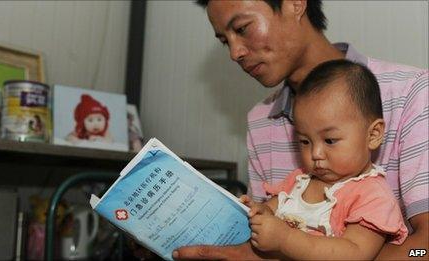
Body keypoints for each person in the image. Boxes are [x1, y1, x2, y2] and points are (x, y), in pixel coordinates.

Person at [174, 0, 428, 259]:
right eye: (225, 41)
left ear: (295, 4)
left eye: (242, 28)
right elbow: (265, 235)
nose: (235, 53)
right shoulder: (261, 119)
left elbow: (424, 248)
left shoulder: (412, 92)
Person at [241, 59, 408, 260]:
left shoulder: (372, 196)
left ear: (372, 135)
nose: (315, 154)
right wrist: (256, 212)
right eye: (305, 141)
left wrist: (286, 239)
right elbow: (271, 209)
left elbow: (354, 253)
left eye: (329, 140)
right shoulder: (299, 180)